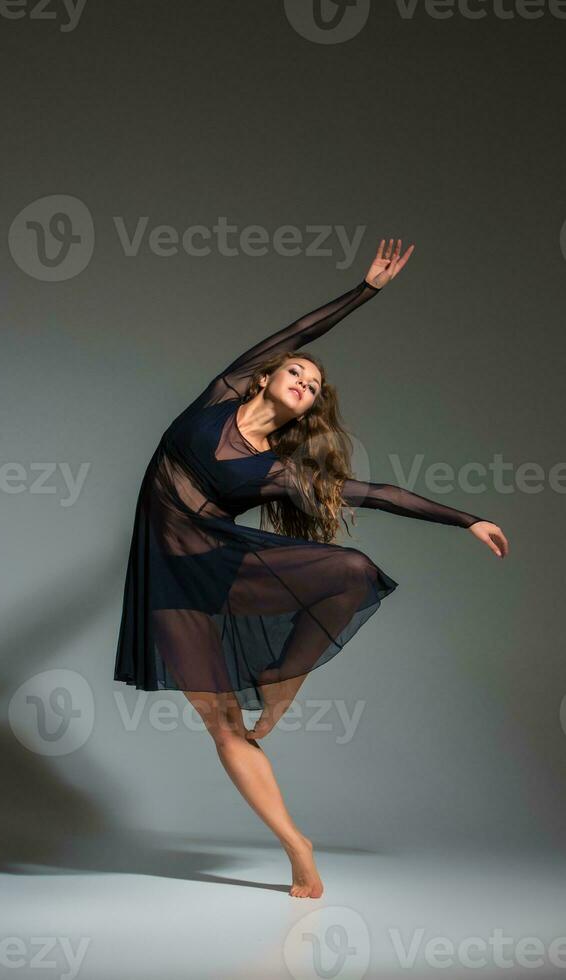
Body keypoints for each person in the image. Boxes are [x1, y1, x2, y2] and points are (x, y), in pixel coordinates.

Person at [114, 238, 509, 898]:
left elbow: (378, 494)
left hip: (216, 566)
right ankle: (298, 844)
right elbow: (299, 330)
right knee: (223, 729)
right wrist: (367, 290)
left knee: (352, 570)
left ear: (309, 407)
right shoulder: (222, 393)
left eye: (315, 386)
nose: (305, 381)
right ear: (268, 376)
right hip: (165, 579)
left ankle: (281, 679)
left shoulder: (279, 471)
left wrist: (466, 518)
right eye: (297, 373)